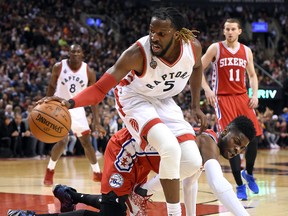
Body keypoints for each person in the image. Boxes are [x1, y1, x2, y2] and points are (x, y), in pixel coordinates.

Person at [39, 7, 207, 215]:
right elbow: (100, 89)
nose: (154, 37)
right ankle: (174, 213)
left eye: (161, 34)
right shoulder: (137, 53)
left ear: (178, 34)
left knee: (192, 162)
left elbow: (198, 67)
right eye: (151, 31)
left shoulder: (193, 48)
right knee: (169, 147)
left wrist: (195, 106)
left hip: (164, 101)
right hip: (134, 100)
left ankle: (141, 192)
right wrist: (69, 103)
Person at [7, 115, 256, 216]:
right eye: (237, 142)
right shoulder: (207, 143)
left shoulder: (205, 144)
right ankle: (30, 215)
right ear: (225, 131)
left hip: (143, 161)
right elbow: (218, 184)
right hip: (126, 152)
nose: (237, 149)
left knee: (120, 206)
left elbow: (189, 184)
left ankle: (71, 195)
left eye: (242, 148)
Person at [201, 18, 262, 200]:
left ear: (239, 31)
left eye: (233, 29)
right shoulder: (216, 48)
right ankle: (239, 184)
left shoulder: (246, 51)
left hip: (242, 97)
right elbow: (198, 69)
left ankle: (248, 173)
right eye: (226, 29)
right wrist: (207, 89)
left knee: (255, 137)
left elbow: (252, 75)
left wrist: (255, 94)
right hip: (223, 99)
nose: (229, 32)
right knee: (230, 141)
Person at [43, 44, 106, 186]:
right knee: (63, 141)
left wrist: (96, 121)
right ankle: (50, 170)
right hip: (60, 107)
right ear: (68, 53)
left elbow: (94, 98)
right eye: (72, 51)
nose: (75, 54)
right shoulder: (59, 66)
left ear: (82, 54)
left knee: (86, 142)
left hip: (78, 108)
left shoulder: (89, 71)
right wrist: (48, 105)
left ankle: (97, 172)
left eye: (78, 51)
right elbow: (52, 86)